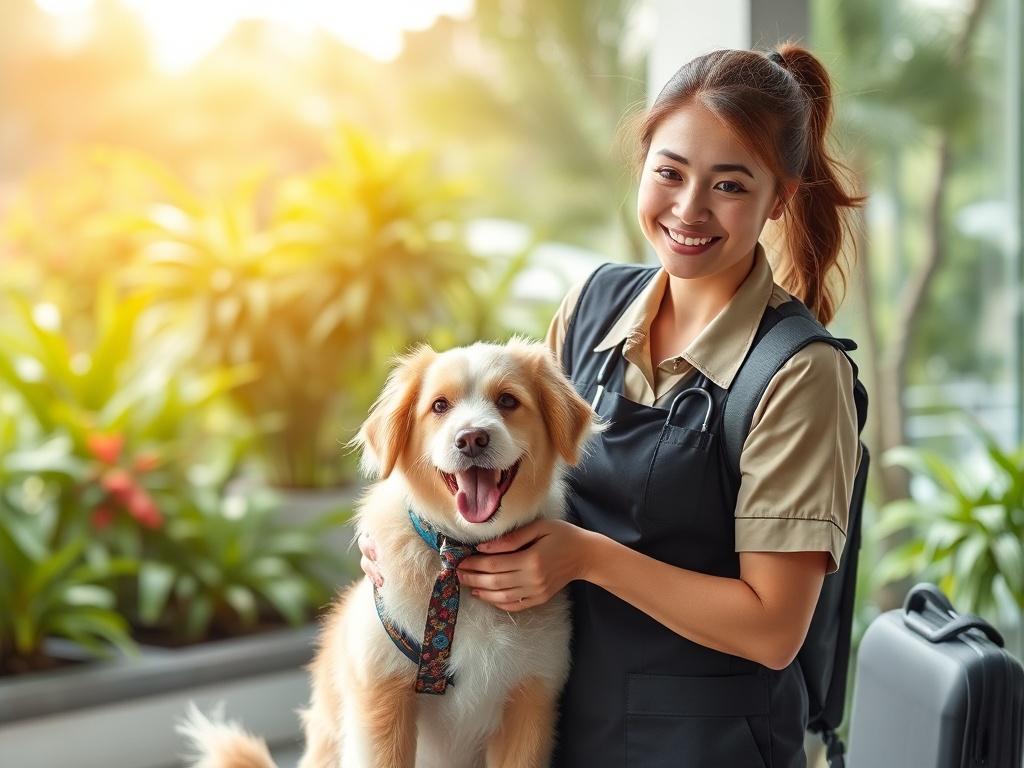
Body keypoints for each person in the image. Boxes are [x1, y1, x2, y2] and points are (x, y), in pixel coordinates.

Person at [358, 42, 864, 767]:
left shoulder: (798, 376)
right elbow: (507, 471)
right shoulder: (591, 308)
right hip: (558, 732)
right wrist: (404, 539)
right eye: (670, 173)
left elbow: (773, 628)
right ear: (643, 166)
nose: (689, 209)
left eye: (729, 185)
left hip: (702, 749)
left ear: (778, 199)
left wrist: (590, 559)